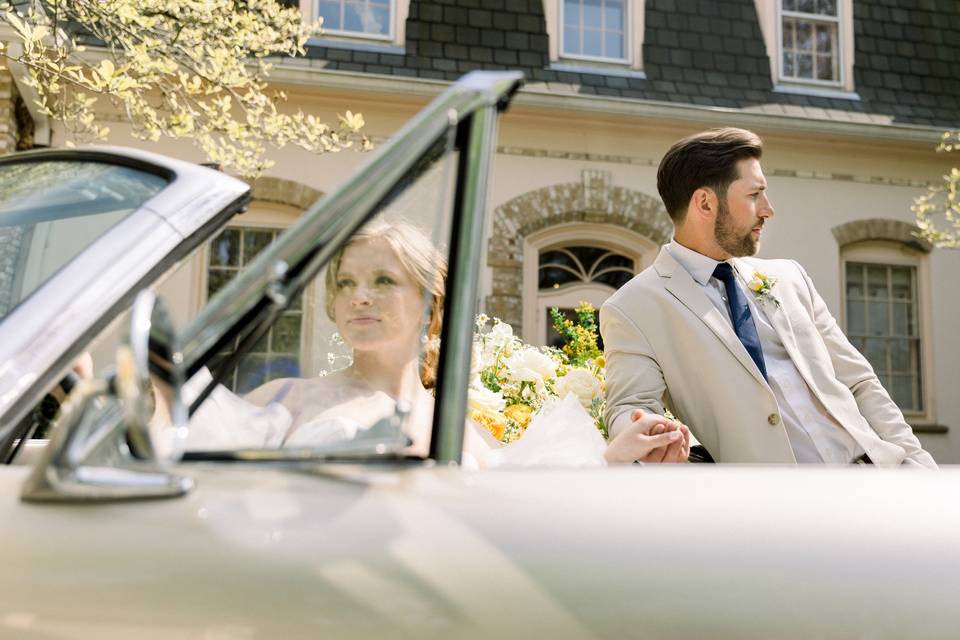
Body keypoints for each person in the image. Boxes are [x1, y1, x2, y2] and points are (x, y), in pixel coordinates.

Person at [191, 219, 688, 465]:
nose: (359, 297)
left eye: (383, 281)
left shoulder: (455, 430)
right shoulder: (283, 398)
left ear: (431, 305)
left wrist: (616, 454)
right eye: (346, 283)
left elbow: (523, 513)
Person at [600, 127, 936, 467]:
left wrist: (919, 467)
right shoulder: (634, 307)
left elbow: (859, 382)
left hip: (875, 479)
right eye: (754, 195)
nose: (768, 209)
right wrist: (649, 433)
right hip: (777, 506)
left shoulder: (791, 277)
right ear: (705, 202)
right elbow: (630, 408)